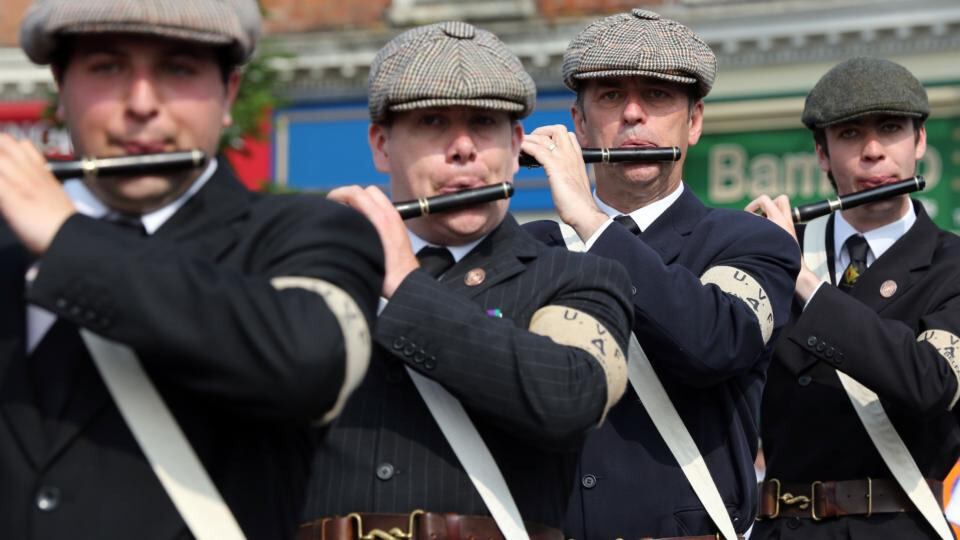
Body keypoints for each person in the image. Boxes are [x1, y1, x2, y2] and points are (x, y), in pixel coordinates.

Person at [0, 1, 384, 539]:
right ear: (61, 87)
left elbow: (309, 361)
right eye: (107, 68)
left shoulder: (307, 230)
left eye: (177, 70)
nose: (141, 105)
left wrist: (67, 240)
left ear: (228, 95)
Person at [299, 21, 634, 540]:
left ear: (516, 145)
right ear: (382, 145)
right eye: (432, 121)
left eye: (483, 123)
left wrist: (404, 285)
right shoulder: (317, 273)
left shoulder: (577, 275)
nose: (462, 148)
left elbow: (571, 398)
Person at [520, 8, 801, 539]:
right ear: (580, 124)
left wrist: (593, 223)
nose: (633, 115)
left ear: (693, 122)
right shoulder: (531, 249)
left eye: (657, 95)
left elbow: (713, 342)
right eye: (610, 96)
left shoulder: (751, 241)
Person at [747, 57, 960, 539]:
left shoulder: (951, 264)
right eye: (848, 134)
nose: (872, 152)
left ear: (920, 141)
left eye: (890, 129)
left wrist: (802, 280)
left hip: (897, 528)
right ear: (822, 153)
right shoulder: (781, 249)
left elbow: (932, 382)